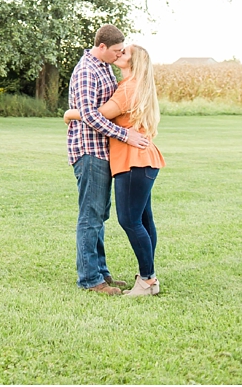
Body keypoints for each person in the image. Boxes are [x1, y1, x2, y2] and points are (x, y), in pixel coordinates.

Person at [64, 43, 164, 297]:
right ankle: (147, 277)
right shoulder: (134, 86)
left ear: (133, 62)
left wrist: (70, 113)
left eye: (125, 53)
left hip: (133, 160)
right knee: (143, 220)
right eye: (119, 50)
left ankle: (147, 279)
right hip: (144, 160)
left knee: (130, 220)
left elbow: (97, 115)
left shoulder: (127, 89)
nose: (120, 54)